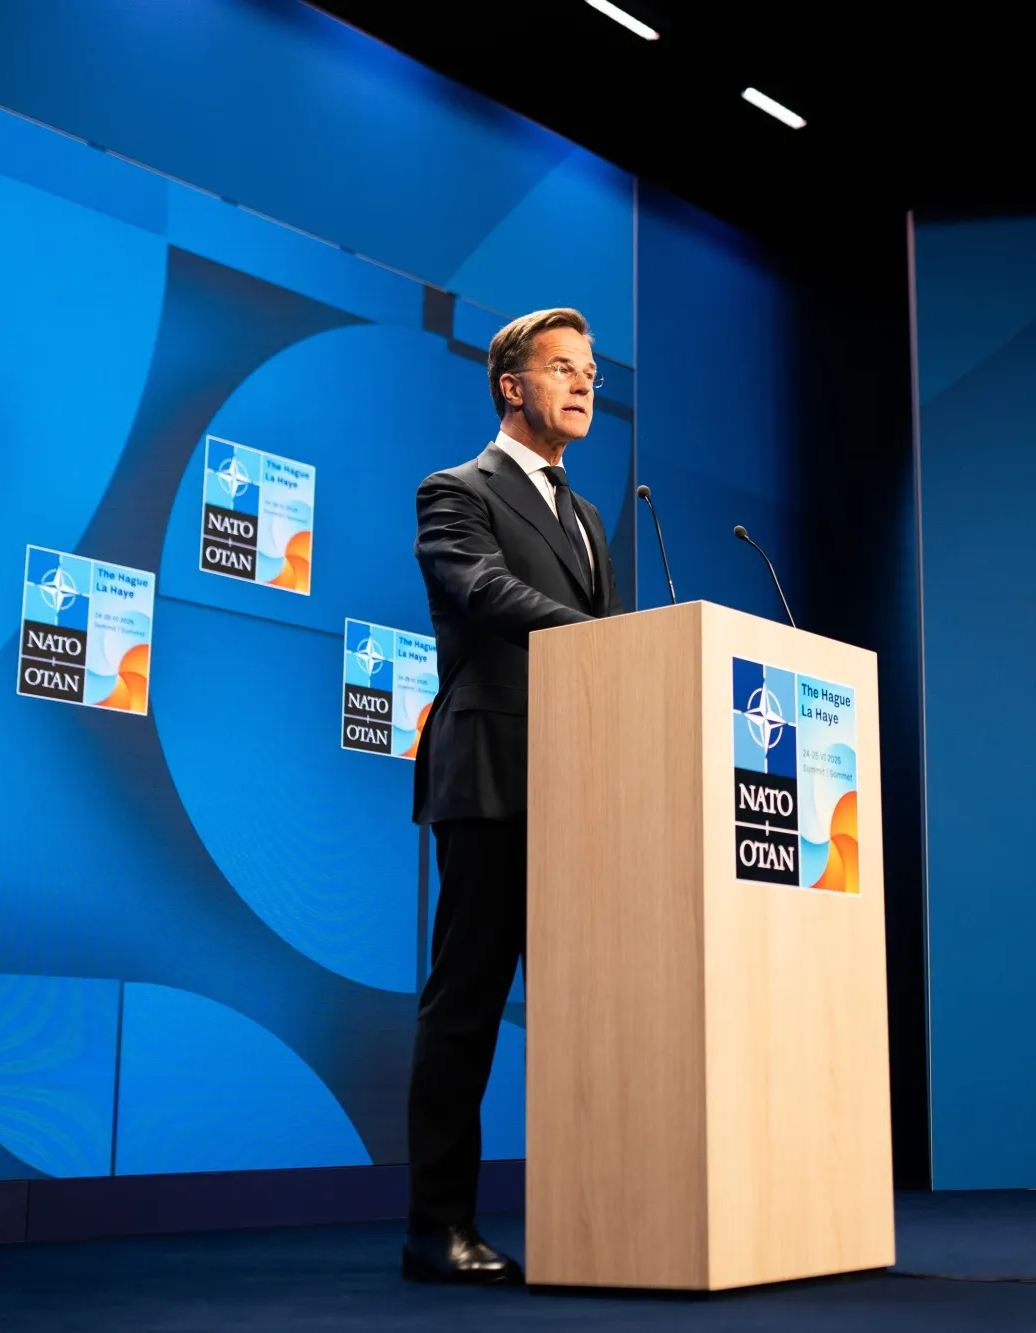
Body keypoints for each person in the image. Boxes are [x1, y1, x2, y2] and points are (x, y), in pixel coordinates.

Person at [403, 307, 624, 1284]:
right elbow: (481, 592)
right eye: (562, 369)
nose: (583, 386)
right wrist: (604, 642)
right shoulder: (457, 491)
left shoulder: (586, 515)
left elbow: (604, 664)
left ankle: (599, 1215)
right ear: (510, 385)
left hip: (578, 788)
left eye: (591, 374)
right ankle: (435, 1227)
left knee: (593, 1009)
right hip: (492, 780)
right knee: (467, 1008)